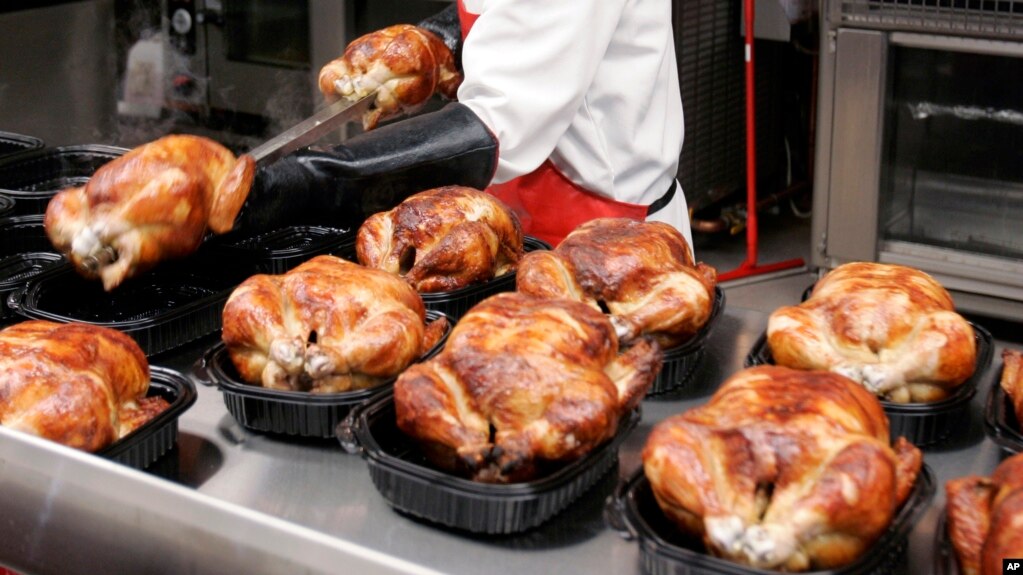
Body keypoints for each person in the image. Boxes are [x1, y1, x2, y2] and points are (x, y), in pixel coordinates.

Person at [237, 0, 691, 250]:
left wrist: (309, 180)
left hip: (609, 243)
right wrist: (438, 41)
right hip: (521, 218)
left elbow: (493, 127)